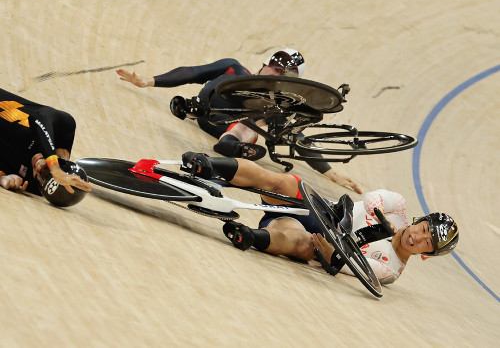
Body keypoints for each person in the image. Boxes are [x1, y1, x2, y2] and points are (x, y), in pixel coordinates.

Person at [181, 152, 459, 285]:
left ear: (427, 255)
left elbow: (350, 267)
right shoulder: (397, 208)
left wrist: (334, 256)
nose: (418, 237)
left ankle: (249, 236)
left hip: (308, 233)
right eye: (423, 228)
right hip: (318, 209)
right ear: (418, 220)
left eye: (426, 243)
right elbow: (375, 197)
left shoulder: (390, 270)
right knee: (282, 181)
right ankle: (207, 164)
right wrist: (378, 223)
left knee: (304, 245)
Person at [116, 48, 362, 194]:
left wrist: (331, 174)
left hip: (232, 131)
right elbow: (192, 72)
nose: (275, 73)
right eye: (275, 66)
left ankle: (233, 146)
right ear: (265, 63)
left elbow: (296, 136)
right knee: (256, 118)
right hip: (206, 113)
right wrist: (147, 80)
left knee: (266, 119)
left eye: (283, 73)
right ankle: (237, 147)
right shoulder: (234, 69)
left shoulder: (274, 104)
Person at [0, 88, 91, 203]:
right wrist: (54, 167)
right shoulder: (63, 129)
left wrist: (2, 177)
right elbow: (39, 116)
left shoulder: (29, 184)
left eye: (38, 175)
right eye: (46, 167)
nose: (38, 167)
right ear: (63, 160)